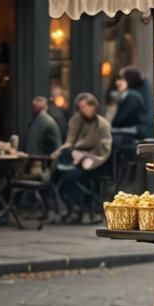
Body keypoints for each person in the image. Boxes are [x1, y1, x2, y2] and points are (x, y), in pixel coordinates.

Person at [53, 93, 112, 221]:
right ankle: (69, 209)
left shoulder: (102, 125)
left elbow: (103, 151)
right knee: (56, 174)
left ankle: (79, 209)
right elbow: (70, 140)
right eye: (80, 108)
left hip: (94, 162)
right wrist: (65, 150)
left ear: (93, 107)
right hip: (74, 157)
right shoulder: (76, 120)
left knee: (69, 179)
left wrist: (85, 156)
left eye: (85, 107)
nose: (82, 110)